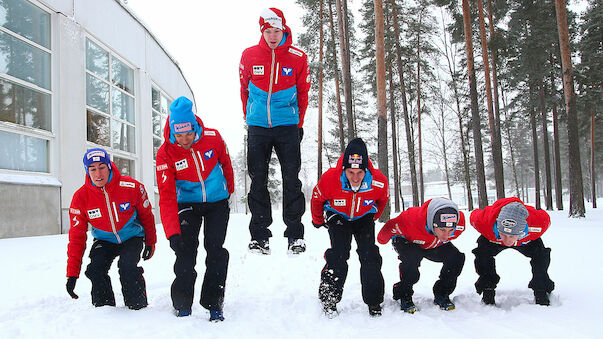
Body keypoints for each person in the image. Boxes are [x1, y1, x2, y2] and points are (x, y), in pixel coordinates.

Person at [239, 7, 311, 255]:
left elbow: (303, 93)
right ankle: (260, 236)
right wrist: (250, 118)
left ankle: (295, 236)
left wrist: (297, 123)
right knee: (258, 180)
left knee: (291, 179)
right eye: (268, 31)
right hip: (258, 127)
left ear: (284, 29)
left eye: (276, 31)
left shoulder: (298, 57)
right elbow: (243, 91)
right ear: (262, 31)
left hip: (287, 127)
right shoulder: (249, 55)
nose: (272, 36)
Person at [156, 96, 234, 322]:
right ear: (172, 131)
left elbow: (226, 164)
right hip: (187, 204)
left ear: (195, 127)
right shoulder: (165, 153)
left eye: (188, 133)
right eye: (179, 135)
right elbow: (167, 195)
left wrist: (227, 190)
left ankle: (214, 303)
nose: (185, 139)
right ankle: (182, 304)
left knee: (216, 250)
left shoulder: (213, 137)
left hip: (216, 203)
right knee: (185, 251)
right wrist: (171, 232)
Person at [66, 148, 157, 310]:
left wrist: (150, 242)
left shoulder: (132, 187)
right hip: (105, 239)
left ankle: (138, 307)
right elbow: (76, 237)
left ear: (109, 166)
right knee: (95, 269)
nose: (98, 173)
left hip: (131, 237)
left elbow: (147, 216)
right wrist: (72, 274)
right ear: (87, 172)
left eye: (102, 167)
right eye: (92, 169)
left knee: (127, 266)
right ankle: (105, 309)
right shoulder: (81, 197)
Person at [311, 138, 389, 317]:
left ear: (366, 170)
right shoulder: (330, 178)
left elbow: (383, 199)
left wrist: (373, 216)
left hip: (364, 216)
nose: (355, 177)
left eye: (360, 172)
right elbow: (317, 199)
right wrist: (317, 220)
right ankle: (329, 298)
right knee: (339, 254)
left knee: (369, 254)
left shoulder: (378, 181)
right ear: (344, 169)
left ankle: (374, 300)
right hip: (337, 215)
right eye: (350, 172)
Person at [377, 198, 466, 313]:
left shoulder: (460, 223)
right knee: (412, 259)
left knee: (456, 257)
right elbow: (390, 226)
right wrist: (382, 239)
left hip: (433, 244)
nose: (446, 236)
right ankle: (404, 294)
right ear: (432, 223)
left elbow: (446, 236)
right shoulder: (411, 219)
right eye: (442, 229)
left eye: (450, 231)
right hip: (408, 242)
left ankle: (442, 293)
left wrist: (442, 235)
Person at [470, 197, 554, 306]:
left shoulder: (538, 223)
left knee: (541, 255)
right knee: (482, 254)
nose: (507, 241)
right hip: (492, 239)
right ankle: (487, 289)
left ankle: (541, 290)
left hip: (525, 241)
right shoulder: (483, 222)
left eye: (511, 236)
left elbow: (546, 217)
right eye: (503, 234)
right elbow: (473, 215)